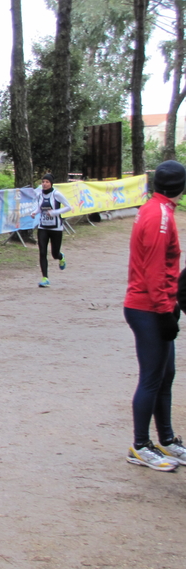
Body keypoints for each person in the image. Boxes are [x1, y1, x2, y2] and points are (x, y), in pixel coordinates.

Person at [125, 160, 186, 471]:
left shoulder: (158, 208)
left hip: (157, 305)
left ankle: (167, 439)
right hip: (147, 307)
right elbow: (153, 272)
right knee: (151, 378)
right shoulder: (159, 216)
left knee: (166, 375)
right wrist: (165, 311)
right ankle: (139, 445)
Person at [30, 173, 72, 287]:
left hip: (56, 228)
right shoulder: (40, 195)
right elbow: (40, 207)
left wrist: (55, 212)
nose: (44, 184)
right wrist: (34, 212)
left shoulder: (56, 194)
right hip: (43, 227)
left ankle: (60, 257)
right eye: (43, 182)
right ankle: (45, 278)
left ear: (51, 183)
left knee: (54, 253)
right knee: (42, 252)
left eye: (47, 182)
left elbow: (69, 207)